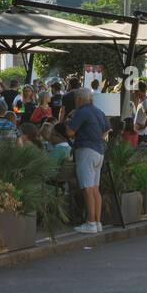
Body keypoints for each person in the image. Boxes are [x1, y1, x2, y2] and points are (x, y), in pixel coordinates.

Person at [64, 89, 110, 233]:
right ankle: (97, 222)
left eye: (76, 99)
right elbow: (106, 131)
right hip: (99, 150)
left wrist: (66, 121)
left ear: (79, 99)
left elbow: (70, 132)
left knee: (87, 188)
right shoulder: (99, 111)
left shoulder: (82, 112)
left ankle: (90, 223)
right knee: (95, 188)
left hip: (86, 150)